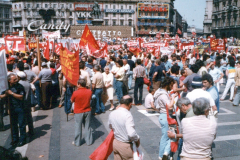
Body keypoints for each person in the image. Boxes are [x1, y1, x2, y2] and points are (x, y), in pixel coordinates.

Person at [108, 95, 140, 160]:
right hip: (125, 145)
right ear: (130, 104)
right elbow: (131, 133)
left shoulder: (112, 113)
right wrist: (137, 139)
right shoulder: (128, 115)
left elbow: (110, 126)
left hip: (116, 143)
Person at [154, 77, 178, 160]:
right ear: (168, 84)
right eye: (171, 85)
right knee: (167, 136)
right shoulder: (163, 95)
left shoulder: (159, 92)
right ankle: (163, 155)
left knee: (167, 136)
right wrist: (173, 98)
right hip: (166, 116)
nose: (172, 87)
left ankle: (166, 153)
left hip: (163, 115)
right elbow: (170, 107)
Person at [2, 73, 26, 147]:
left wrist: (11, 93)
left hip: (20, 107)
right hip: (11, 108)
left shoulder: (20, 86)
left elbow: (21, 97)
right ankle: (15, 139)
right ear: (9, 81)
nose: (16, 80)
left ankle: (22, 139)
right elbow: (1, 96)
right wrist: (6, 94)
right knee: (13, 125)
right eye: (14, 79)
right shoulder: (6, 87)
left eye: (16, 79)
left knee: (21, 124)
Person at [71, 79, 93, 146]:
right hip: (87, 110)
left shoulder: (75, 93)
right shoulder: (89, 91)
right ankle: (89, 141)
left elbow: (72, 101)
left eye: (77, 84)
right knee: (87, 126)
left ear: (79, 84)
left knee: (78, 126)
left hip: (78, 111)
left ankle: (77, 142)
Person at [17, 72, 34, 136]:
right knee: (29, 117)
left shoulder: (19, 84)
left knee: (22, 119)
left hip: (22, 103)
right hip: (28, 102)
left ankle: (23, 134)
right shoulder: (28, 83)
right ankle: (31, 130)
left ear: (19, 77)